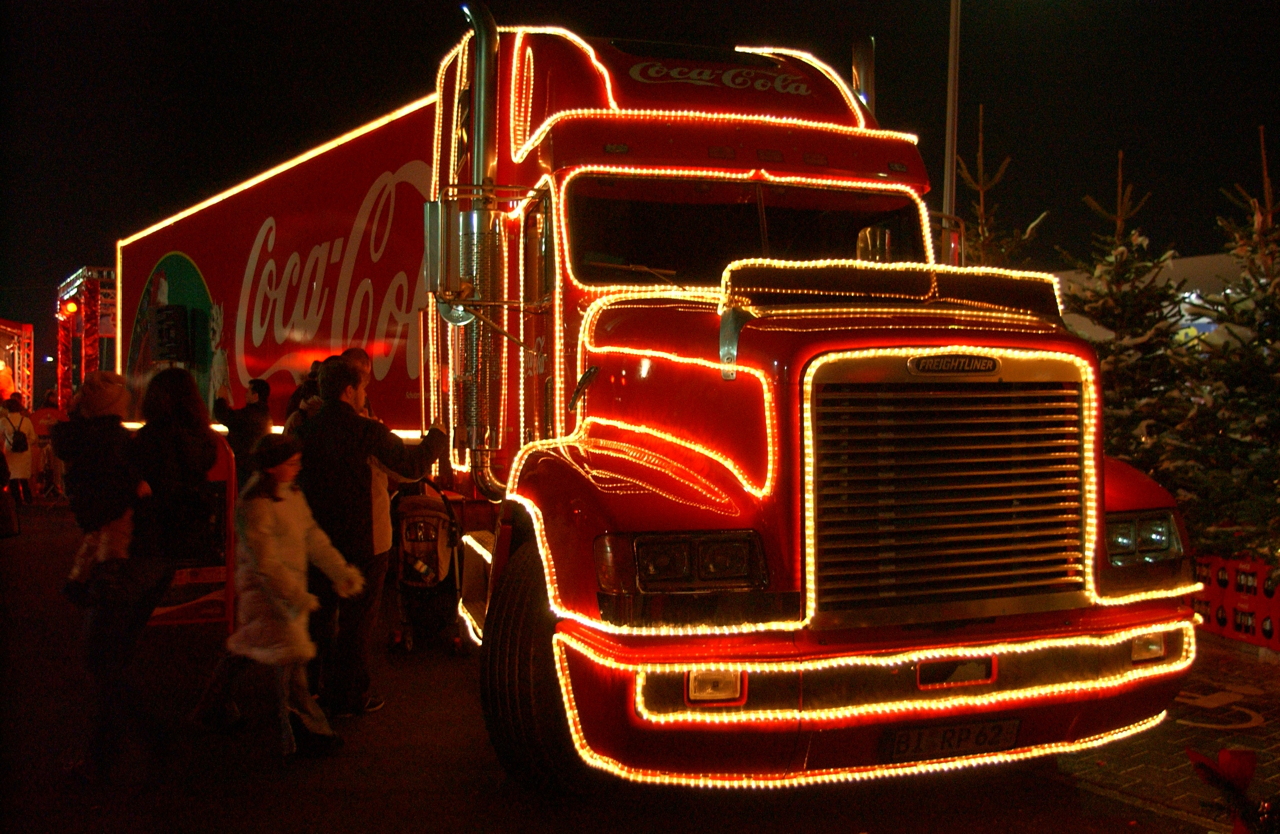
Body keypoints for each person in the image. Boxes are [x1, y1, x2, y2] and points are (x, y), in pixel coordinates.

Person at [72, 367, 218, 783]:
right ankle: (104, 756)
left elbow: (114, 502)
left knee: (99, 654)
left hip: (135, 555)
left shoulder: (149, 442)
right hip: (165, 560)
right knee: (114, 657)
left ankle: (156, 738)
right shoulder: (200, 442)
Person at [192, 434, 365, 757]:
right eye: (291, 463)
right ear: (272, 468)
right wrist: (295, 596)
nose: (298, 468)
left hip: (281, 592)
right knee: (290, 660)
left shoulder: (288, 495)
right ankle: (305, 733)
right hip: (269, 596)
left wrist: (340, 571)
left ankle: (212, 708)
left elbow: (312, 537)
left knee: (247, 651)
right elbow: (265, 563)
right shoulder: (255, 505)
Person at [297, 356, 448, 717]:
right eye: (363, 387)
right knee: (356, 625)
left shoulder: (304, 430)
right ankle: (347, 697)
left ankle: (310, 691)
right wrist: (438, 437)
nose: (366, 393)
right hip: (365, 542)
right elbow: (410, 468)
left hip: (316, 542)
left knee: (318, 618)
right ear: (349, 391)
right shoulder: (367, 431)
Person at [51, 372, 138, 607]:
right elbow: (122, 471)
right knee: (113, 547)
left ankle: (77, 582)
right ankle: (103, 593)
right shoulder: (113, 436)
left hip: (86, 497)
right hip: (112, 500)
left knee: (95, 538)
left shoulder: (79, 432)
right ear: (114, 405)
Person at [213, 378, 272, 486]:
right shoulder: (263, 414)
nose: (245, 394)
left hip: (244, 466)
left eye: (248, 390)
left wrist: (221, 399)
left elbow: (226, 417)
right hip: (252, 465)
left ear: (255, 396)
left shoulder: (251, 415)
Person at [31, 389, 68, 499]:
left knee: (56, 466)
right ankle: (44, 486)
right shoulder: (43, 411)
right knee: (43, 465)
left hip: (54, 442)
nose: (55, 399)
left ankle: (54, 486)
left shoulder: (58, 411)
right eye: (53, 397)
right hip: (44, 441)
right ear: (48, 398)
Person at [3, 393, 37, 504]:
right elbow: (33, 437)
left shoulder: (3, 422)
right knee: (24, 478)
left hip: (10, 452)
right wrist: (25, 443)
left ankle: (17, 500)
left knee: (12, 477)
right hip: (24, 452)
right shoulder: (26, 421)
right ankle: (28, 499)